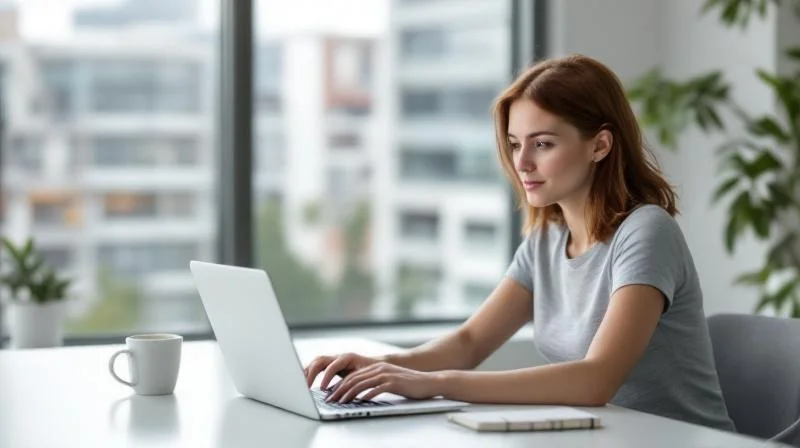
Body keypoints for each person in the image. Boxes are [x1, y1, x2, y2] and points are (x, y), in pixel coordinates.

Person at [303, 54, 736, 432]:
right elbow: (470, 342)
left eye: (543, 144)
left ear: (600, 145)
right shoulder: (546, 240)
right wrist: (386, 367)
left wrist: (434, 384)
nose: (522, 163)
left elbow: (596, 379)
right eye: (514, 145)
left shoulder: (646, 232)